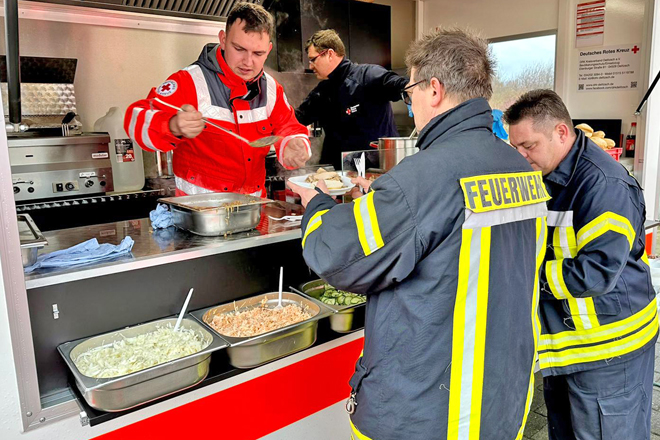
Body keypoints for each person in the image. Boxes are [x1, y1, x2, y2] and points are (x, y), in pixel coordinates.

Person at [289, 28, 549, 440]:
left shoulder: (423, 175)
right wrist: (388, 200)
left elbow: (338, 256)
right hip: (502, 403)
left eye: (410, 91)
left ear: (434, 89)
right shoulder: (522, 169)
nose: (409, 104)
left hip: (427, 416)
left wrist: (317, 204)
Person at [505, 89, 657, 440]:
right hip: (570, 344)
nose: (521, 155)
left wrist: (524, 277)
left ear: (561, 132)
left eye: (528, 146)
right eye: (515, 147)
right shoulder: (547, 171)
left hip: (611, 350)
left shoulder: (604, 185)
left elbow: (597, 271)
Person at [125, 2, 310, 197]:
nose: (248, 62)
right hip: (199, 217)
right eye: (239, 49)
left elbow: (290, 128)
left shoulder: (271, 89)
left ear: (269, 50)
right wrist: (172, 125)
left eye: (258, 53)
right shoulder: (190, 81)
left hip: (253, 213)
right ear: (223, 40)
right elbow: (135, 120)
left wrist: (294, 144)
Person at [295, 29, 409, 170]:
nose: (310, 66)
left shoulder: (368, 76)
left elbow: (403, 86)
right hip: (338, 177)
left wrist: (411, 92)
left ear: (330, 54)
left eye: (313, 59)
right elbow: (295, 119)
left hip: (377, 172)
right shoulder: (322, 92)